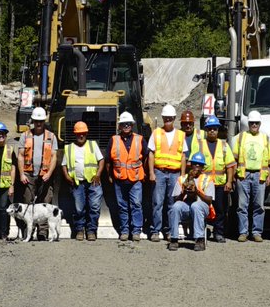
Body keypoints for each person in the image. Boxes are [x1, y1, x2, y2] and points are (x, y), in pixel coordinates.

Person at [18, 107, 59, 239]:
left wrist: (49, 173)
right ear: (33, 121)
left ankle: (43, 232)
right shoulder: (25, 136)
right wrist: (21, 174)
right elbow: (20, 156)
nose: (38, 123)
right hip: (29, 175)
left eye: (41, 121)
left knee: (45, 203)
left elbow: (54, 157)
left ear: (44, 121)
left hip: (45, 175)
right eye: (36, 121)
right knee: (28, 203)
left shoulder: (51, 137)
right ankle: (28, 232)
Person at [193, 115, 236, 243]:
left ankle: (219, 233)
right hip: (204, 185)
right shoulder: (199, 145)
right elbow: (194, 164)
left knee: (220, 210)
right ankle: (201, 232)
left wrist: (229, 182)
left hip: (219, 184)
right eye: (210, 129)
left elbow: (230, 166)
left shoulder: (224, 145)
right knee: (202, 209)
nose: (212, 131)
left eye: (215, 129)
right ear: (206, 130)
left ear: (218, 130)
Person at [149, 103, 187, 242]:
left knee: (171, 203)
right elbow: (151, 154)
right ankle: (155, 230)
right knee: (157, 202)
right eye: (165, 118)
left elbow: (183, 156)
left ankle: (170, 231)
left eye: (170, 118)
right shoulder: (156, 133)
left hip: (174, 174)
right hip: (159, 172)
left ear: (174, 118)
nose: (168, 120)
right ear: (163, 118)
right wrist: (152, 173)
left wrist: (182, 175)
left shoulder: (180, 135)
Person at [63, 121, 105, 241]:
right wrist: (67, 176)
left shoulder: (92, 145)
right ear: (75, 134)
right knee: (79, 208)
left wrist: (98, 175)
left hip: (93, 182)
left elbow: (101, 161)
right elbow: (64, 165)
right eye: (78, 134)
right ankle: (79, 230)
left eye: (83, 133)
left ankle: (91, 230)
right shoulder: (69, 148)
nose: (81, 136)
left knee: (94, 207)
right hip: (77, 183)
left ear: (86, 134)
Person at [233, 110, 270, 242]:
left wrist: (268, 176)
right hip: (244, 174)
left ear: (260, 124)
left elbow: (268, 159)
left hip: (259, 175)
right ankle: (243, 232)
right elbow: (235, 157)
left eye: (256, 123)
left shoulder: (265, 138)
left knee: (259, 206)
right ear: (248, 123)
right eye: (252, 123)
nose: (254, 125)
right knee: (242, 205)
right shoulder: (241, 137)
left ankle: (256, 232)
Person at [109, 111, 145, 241]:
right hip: (119, 180)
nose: (126, 126)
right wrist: (110, 176)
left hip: (135, 180)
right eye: (123, 124)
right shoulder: (114, 140)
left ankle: (136, 231)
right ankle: (124, 230)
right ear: (119, 126)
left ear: (132, 125)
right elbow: (108, 160)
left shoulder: (139, 139)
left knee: (136, 205)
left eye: (128, 124)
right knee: (122, 206)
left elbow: (146, 157)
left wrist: (144, 174)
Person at [168, 152, 214, 252]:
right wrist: (184, 192)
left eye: (200, 164)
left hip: (201, 207)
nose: (197, 166)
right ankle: (174, 239)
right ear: (191, 165)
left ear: (203, 167)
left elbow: (209, 200)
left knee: (196, 206)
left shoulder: (208, 179)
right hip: (186, 206)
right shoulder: (182, 178)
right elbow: (176, 199)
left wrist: (197, 192)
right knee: (175, 207)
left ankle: (199, 240)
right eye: (195, 164)